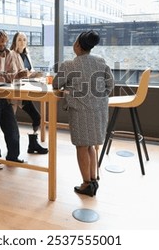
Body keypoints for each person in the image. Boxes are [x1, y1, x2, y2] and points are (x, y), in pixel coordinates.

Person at [52, 30, 114, 197]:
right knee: (92, 144)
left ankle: (86, 184)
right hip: (99, 110)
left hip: (80, 111)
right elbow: (110, 84)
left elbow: (56, 84)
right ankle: (93, 179)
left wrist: (68, 91)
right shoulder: (101, 62)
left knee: (81, 146)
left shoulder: (68, 65)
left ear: (77, 45)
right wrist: (98, 98)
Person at [0, 30, 28, 169]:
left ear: (6, 40)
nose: (0, 44)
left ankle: (13, 157)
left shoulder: (9, 54)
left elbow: (11, 73)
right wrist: (14, 75)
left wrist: (13, 75)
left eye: (2, 41)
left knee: (12, 129)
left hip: (6, 98)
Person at [10, 32, 48, 154]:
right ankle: (13, 151)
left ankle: (33, 144)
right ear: (15, 41)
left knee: (36, 117)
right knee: (11, 121)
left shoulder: (27, 54)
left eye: (24, 39)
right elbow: (13, 73)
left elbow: (29, 71)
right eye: (20, 39)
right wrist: (25, 74)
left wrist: (35, 74)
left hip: (25, 90)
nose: (22, 42)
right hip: (15, 91)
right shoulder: (11, 54)